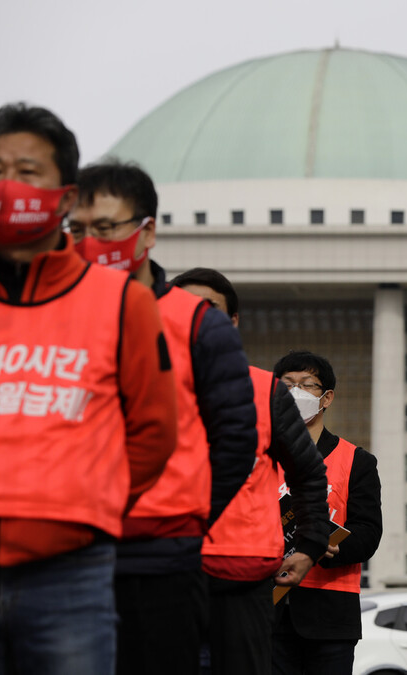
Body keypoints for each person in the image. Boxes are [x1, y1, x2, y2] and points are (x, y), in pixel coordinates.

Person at [0, 102, 178, 673]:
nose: (6, 186)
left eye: (28, 172)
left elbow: (153, 433)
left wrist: (87, 504)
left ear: (66, 196)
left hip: (70, 574)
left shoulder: (123, 303)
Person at [68, 161, 258, 675]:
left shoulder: (198, 325)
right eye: (76, 230)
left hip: (160, 558)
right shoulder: (55, 317)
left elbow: (238, 440)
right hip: (62, 557)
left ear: (145, 231)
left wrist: (190, 518)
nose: (89, 243)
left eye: (104, 229)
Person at [171, 267, 331, 675]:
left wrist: (310, 545)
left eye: (208, 310)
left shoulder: (265, 390)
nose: (195, 319)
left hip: (240, 569)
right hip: (160, 567)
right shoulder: (137, 381)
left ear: (233, 322)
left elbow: (308, 473)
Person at [270, 350, 383, 675]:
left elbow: (368, 532)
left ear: (327, 397)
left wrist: (327, 546)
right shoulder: (260, 455)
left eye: (307, 386)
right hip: (267, 609)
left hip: (330, 613)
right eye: (287, 385)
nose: (296, 393)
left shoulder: (356, 460)